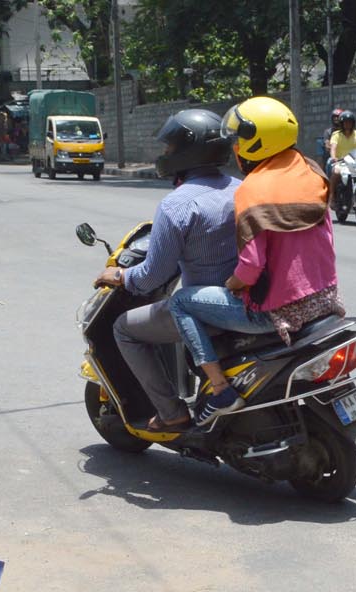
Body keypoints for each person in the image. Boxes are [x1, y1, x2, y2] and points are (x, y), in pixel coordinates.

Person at [170, 96, 344, 424]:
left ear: (257, 143)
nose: (235, 147)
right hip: (326, 299)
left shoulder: (254, 190)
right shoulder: (311, 170)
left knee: (180, 302)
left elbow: (250, 269)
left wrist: (231, 284)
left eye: (239, 139)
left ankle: (220, 390)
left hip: (279, 313)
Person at [93, 109, 241, 432]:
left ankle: (171, 412)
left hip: (209, 312)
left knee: (123, 328)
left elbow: (152, 277)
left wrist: (119, 275)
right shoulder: (241, 189)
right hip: (245, 302)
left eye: (170, 147)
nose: (165, 153)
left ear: (188, 150)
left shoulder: (177, 205)